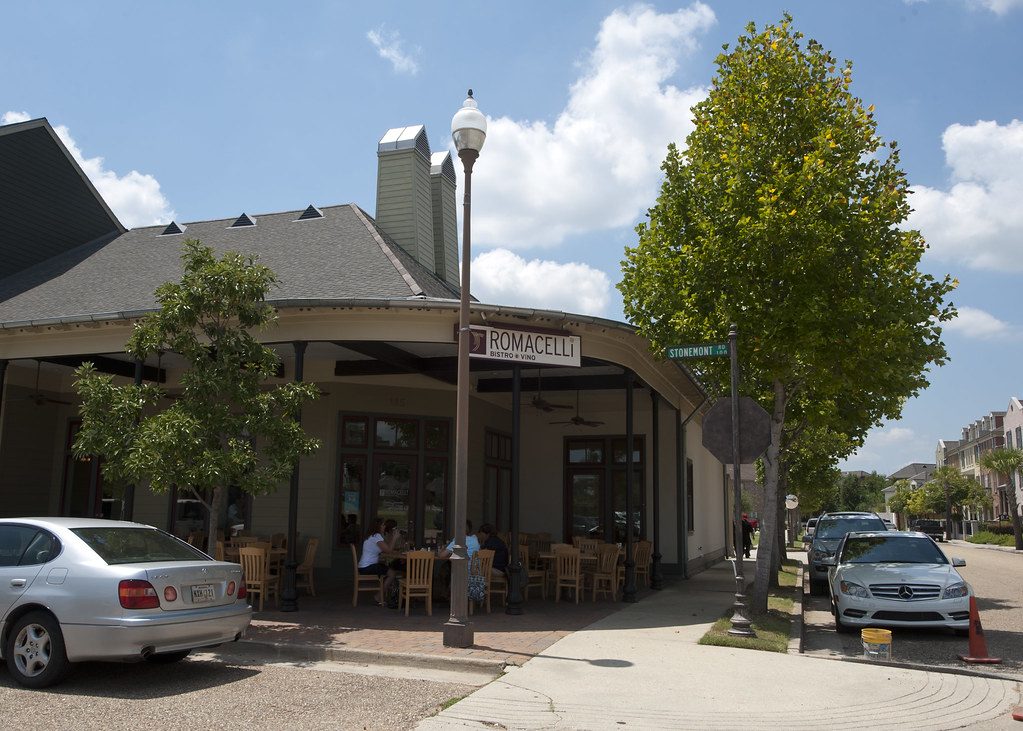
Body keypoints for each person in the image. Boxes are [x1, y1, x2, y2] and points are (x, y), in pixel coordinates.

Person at [358, 518, 401, 606]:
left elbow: (385, 548)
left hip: (364, 566)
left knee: (387, 569)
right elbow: (389, 550)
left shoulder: (372, 536)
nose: (384, 527)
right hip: (368, 567)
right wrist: (394, 538)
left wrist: (398, 547)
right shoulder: (377, 536)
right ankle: (379, 596)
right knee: (392, 573)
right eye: (382, 525)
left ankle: (384, 593)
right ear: (378, 526)